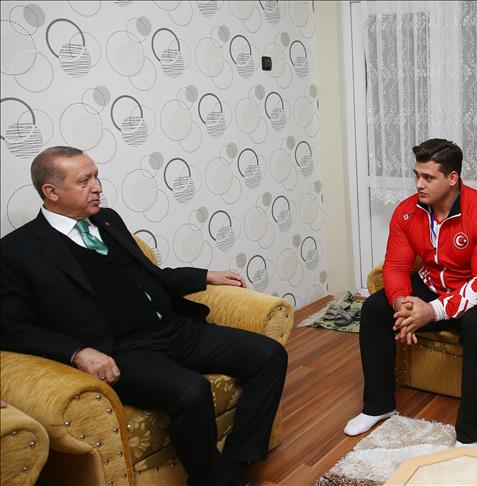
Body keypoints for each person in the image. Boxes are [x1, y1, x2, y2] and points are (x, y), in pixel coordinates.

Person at [0, 146, 288, 486]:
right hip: (123, 351)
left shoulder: (108, 220)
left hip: (174, 329)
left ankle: (237, 460)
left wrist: (203, 276)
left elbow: (150, 275)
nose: (97, 187)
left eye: (96, 177)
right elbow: (13, 328)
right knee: (190, 391)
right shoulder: (17, 250)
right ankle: (216, 481)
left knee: (269, 355)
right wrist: (77, 352)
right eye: (84, 181)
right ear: (51, 192)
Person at [343, 138, 477, 446]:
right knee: (375, 308)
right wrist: (403, 305)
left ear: (452, 178)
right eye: (417, 175)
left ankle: (470, 434)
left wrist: (431, 311)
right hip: (430, 286)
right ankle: (378, 405)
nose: (419, 184)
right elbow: (395, 266)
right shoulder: (407, 212)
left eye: (428, 177)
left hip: (472, 296)